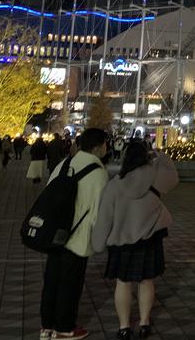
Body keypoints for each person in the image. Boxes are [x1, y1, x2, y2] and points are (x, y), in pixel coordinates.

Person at [92, 142, 179, 339]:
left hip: (121, 241)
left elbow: (105, 218)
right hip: (149, 238)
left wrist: (97, 243)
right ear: (146, 157)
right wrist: (161, 154)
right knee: (146, 281)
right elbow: (173, 175)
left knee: (122, 283)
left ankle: (124, 327)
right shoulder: (156, 180)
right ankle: (144, 322)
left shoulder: (114, 185)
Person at [39, 128, 109, 340]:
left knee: (51, 280)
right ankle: (64, 328)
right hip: (78, 236)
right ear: (98, 147)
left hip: (54, 234)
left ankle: (47, 327)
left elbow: (48, 195)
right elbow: (99, 211)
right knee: (71, 283)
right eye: (105, 144)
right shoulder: (98, 173)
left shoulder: (64, 164)